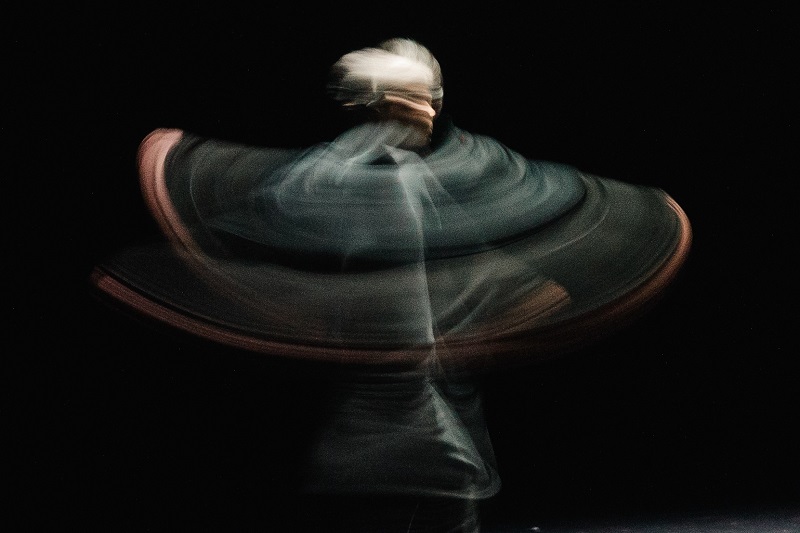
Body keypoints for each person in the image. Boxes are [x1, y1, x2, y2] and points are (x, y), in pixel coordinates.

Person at [92, 37, 691, 532]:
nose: (427, 110)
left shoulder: (387, 173)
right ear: (381, 105)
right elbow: (377, 276)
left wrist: (520, 291)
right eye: (412, 99)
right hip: (397, 403)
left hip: (405, 393)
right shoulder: (363, 179)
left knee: (434, 484)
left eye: (430, 97)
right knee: (429, 488)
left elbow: (444, 252)